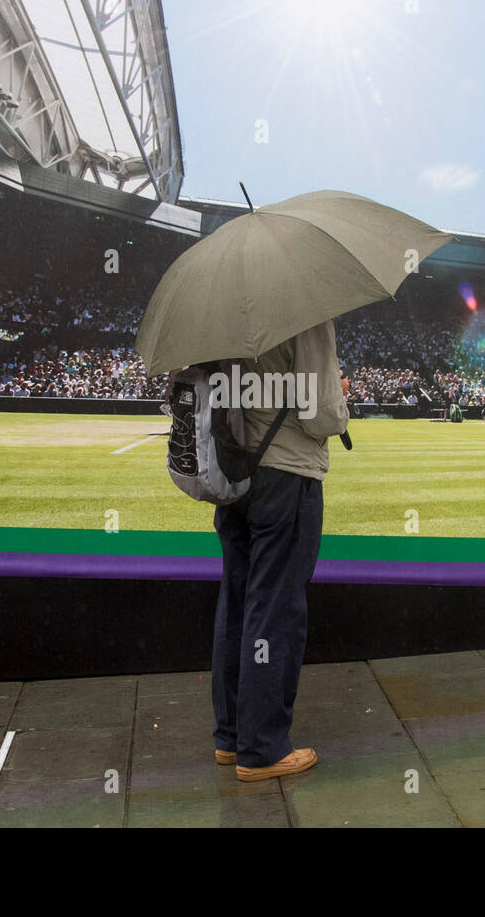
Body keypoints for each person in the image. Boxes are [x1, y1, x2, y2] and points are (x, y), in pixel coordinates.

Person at [211, 319, 348, 782]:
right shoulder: (304, 310)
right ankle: (263, 748)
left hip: (233, 473)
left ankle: (231, 738)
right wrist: (341, 394)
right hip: (285, 474)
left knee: (237, 603)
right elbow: (322, 414)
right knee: (275, 610)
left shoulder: (221, 310)